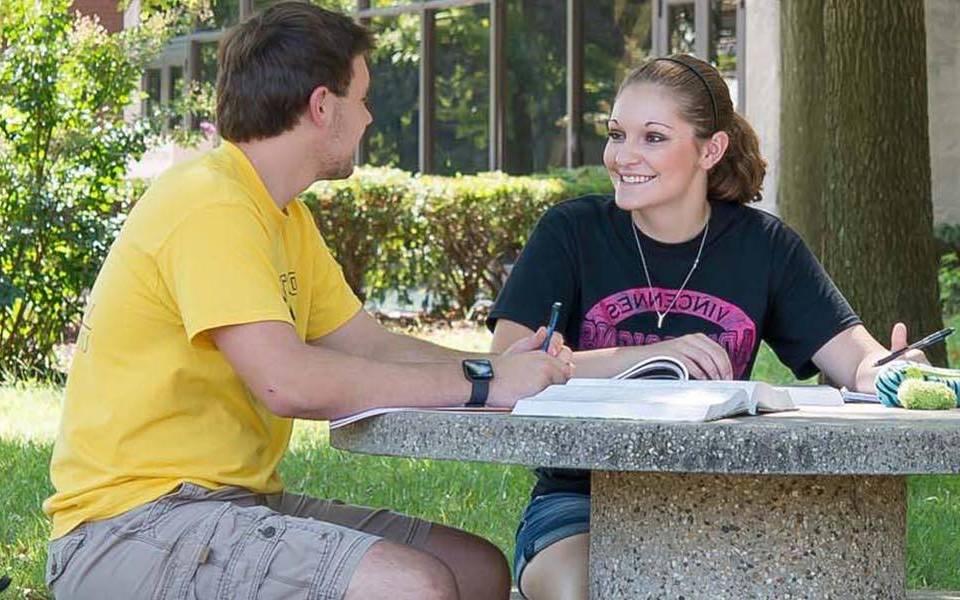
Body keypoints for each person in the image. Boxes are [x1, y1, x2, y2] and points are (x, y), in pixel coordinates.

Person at [42, 3, 573, 599]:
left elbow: (369, 344)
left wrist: (501, 370)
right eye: (363, 98)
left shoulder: (283, 214)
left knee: (476, 570)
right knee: (410, 586)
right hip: (129, 527)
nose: (371, 118)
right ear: (323, 106)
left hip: (227, 506)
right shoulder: (210, 203)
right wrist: (483, 381)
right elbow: (287, 382)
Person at [488, 54, 928, 600]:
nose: (623, 156)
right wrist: (651, 356)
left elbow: (857, 361)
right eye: (616, 134)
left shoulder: (764, 247)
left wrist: (897, 371)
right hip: (581, 499)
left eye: (652, 137)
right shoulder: (569, 233)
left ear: (710, 149)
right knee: (596, 589)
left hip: (725, 499)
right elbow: (502, 369)